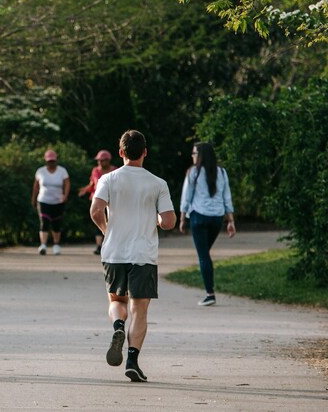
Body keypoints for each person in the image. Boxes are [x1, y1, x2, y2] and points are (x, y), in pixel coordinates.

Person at [90, 130, 176, 383]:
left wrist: (108, 231)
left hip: (114, 251)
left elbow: (96, 211)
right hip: (143, 254)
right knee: (140, 309)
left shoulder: (108, 179)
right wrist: (158, 219)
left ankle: (117, 326)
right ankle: (132, 360)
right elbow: (169, 221)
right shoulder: (157, 183)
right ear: (145, 152)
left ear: (120, 153)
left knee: (117, 300)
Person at [179, 141, 236, 307]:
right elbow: (227, 197)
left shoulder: (193, 173)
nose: (192, 156)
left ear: (201, 155)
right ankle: (209, 290)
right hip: (216, 219)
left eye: (194, 153)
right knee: (205, 254)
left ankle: (210, 294)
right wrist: (230, 220)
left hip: (199, 217)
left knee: (203, 255)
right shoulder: (222, 172)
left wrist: (182, 217)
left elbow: (186, 196)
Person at [78, 150, 118, 254]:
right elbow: (92, 184)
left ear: (108, 160)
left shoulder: (115, 171)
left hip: (111, 200)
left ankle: (111, 243)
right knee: (99, 220)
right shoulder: (95, 171)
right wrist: (84, 190)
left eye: (102, 160)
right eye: (98, 160)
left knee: (112, 220)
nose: (100, 162)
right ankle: (99, 246)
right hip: (97, 199)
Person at [32, 149, 70, 255]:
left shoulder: (62, 171)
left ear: (56, 160)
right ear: (46, 161)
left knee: (56, 223)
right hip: (43, 200)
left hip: (58, 201)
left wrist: (65, 196)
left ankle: (56, 244)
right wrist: (33, 199)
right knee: (44, 222)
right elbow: (35, 187)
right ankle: (43, 244)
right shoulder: (40, 171)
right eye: (49, 161)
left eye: (52, 161)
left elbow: (67, 184)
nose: (51, 163)